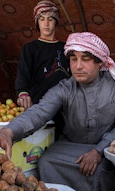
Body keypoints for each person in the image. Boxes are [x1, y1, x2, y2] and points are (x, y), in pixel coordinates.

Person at [0, 32, 115, 191]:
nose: (78, 66)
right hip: (71, 146)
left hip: (106, 148)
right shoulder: (65, 88)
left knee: (100, 169)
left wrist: (98, 151)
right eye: (73, 59)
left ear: (100, 62)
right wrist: (7, 132)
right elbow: (39, 112)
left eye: (86, 59)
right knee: (46, 161)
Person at [15, 0, 70, 139]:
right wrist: (23, 93)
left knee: (62, 140)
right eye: (41, 19)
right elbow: (23, 75)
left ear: (56, 22)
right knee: (40, 140)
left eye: (50, 19)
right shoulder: (30, 49)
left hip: (65, 107)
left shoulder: (67, 49)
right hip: (39, 105)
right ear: (37, 23)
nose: (46, 23)